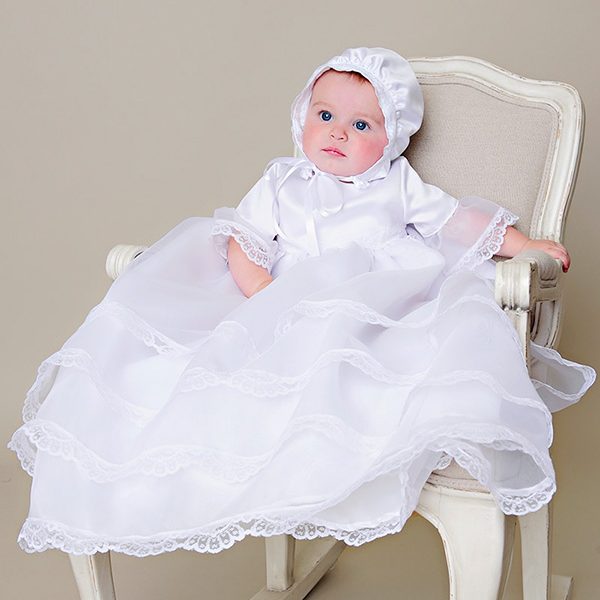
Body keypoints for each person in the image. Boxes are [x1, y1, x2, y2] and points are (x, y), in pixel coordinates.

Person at [9, 47, 594, 556]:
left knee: (365, 353)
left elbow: (456, 220)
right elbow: (244, 241)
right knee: (193, 362)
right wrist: (264, 294)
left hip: (365, 308)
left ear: (391, 138)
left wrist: (523, 244)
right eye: (325, 116)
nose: (338, 133)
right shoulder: (281, 182)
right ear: (303, 118)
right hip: (274, 301)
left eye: (361, 125)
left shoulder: (396, 184)